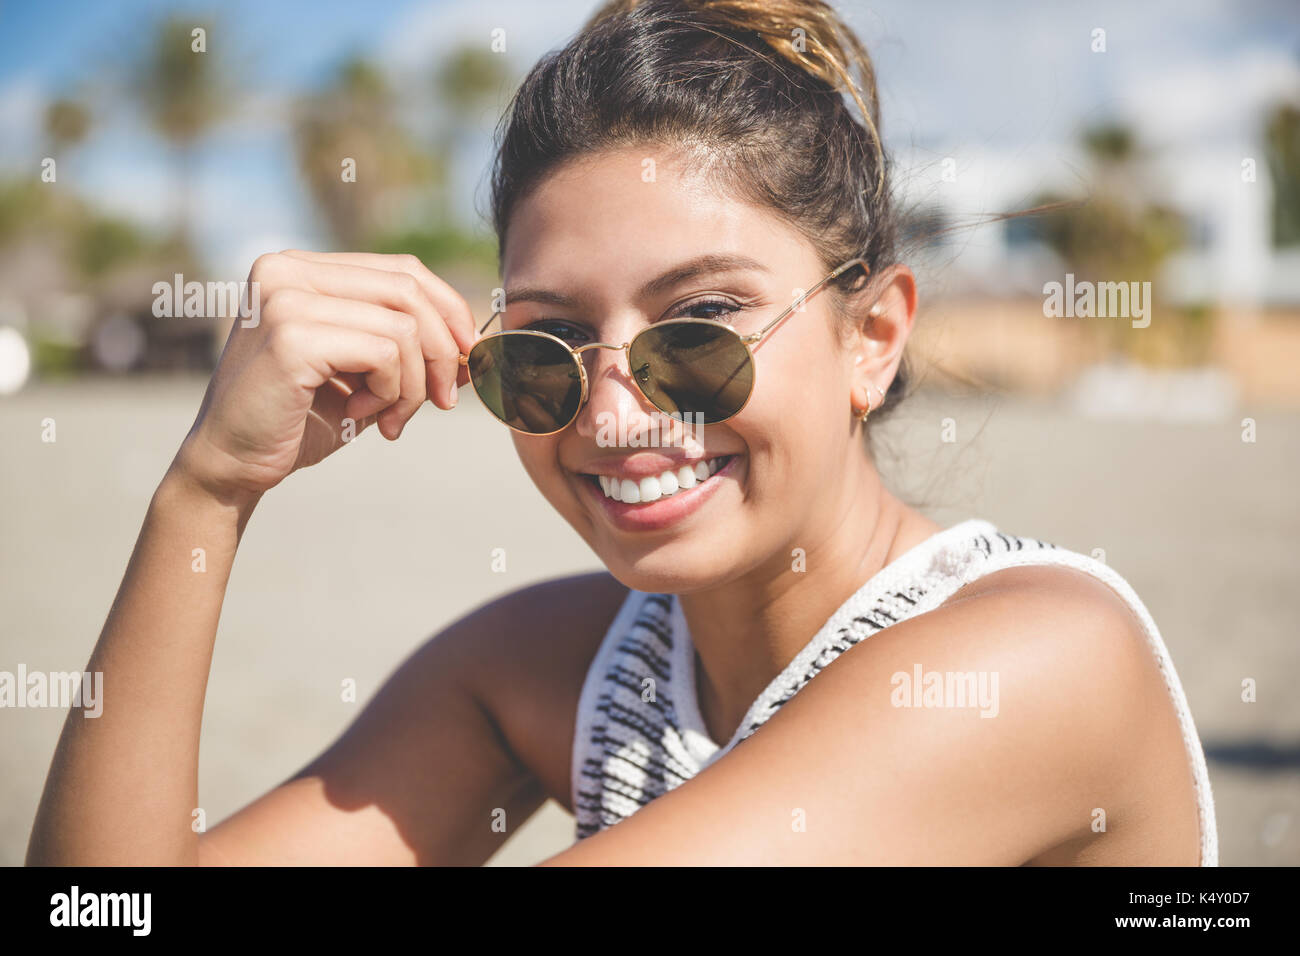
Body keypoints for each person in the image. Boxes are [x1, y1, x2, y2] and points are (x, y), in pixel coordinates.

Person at [27, 0, 1217, 866]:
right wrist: (207, 489)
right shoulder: (547, 671)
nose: (611, 413)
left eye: (698, 326)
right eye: (542, 347)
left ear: (872, 334)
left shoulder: (1036, 659)